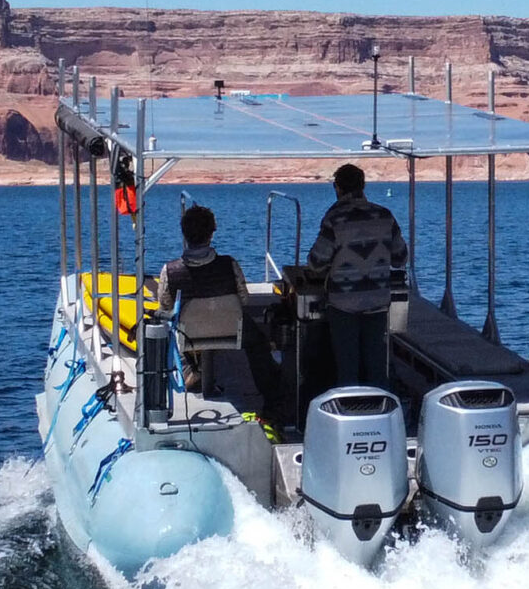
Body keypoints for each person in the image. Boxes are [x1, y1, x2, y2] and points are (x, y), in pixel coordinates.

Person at [156, 205, 287, 418]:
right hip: (230, 330)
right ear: (212, 232)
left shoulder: (169, 271)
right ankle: (272, 395)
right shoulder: (230, 264)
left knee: (172, 327)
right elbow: (243, 299)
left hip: (189, 335)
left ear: (184, 234)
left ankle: (189, 369)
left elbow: (165, 306)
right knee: (257, 342)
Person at [306, 164, 409, 389]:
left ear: (338, 188)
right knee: (377, 368)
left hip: (343, 304)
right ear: (363, 186)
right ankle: (381, 414)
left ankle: (349, 414)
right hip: (378, 303)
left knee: (347, 368)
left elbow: (316, 263)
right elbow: (400, 258)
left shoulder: (335, 218)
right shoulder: (385, 215)